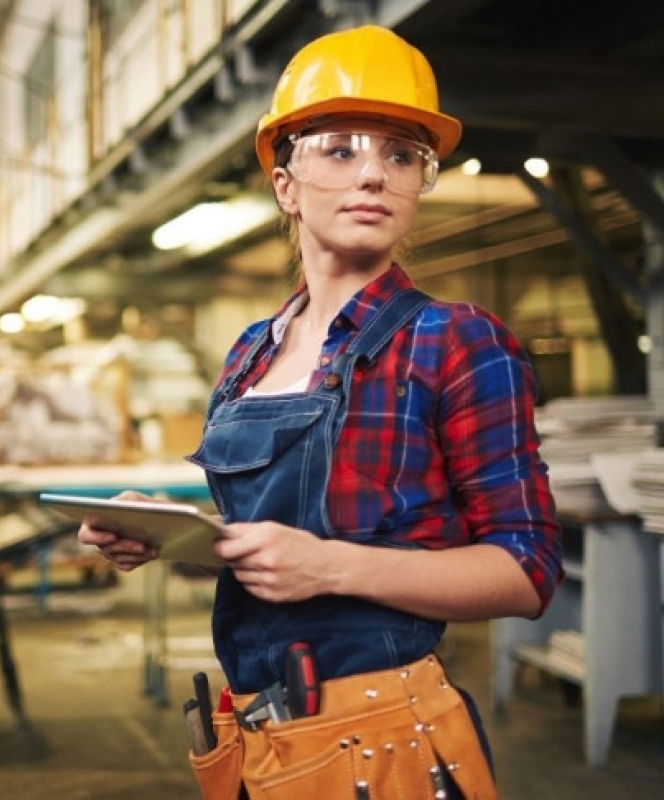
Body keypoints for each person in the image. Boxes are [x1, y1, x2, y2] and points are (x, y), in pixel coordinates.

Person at [79, 24, 562, 800]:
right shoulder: (249, 352)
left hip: (386, 743)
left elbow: (526, 571)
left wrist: (331, 566)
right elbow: (264, 553)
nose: (373, 173)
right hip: (260, 737)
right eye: (340, 149)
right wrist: (167, 535)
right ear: (285, 184)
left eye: (401, 154)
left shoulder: (456, 340)